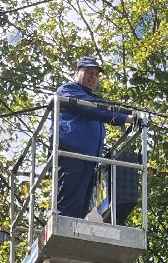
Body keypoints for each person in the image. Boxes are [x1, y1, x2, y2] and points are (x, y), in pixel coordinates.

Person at [53, 57, 136, 219]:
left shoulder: (96, 101)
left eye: (97, 75)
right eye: (89, 72)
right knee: (68, 206)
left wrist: (131, 115)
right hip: (71, 155)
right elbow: (94, 109)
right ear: (76, 73)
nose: (93, 77)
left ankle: (73, 236)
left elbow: (103, 109)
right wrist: (125, 118)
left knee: (81, 209)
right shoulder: (68, 90)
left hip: (89, 160)